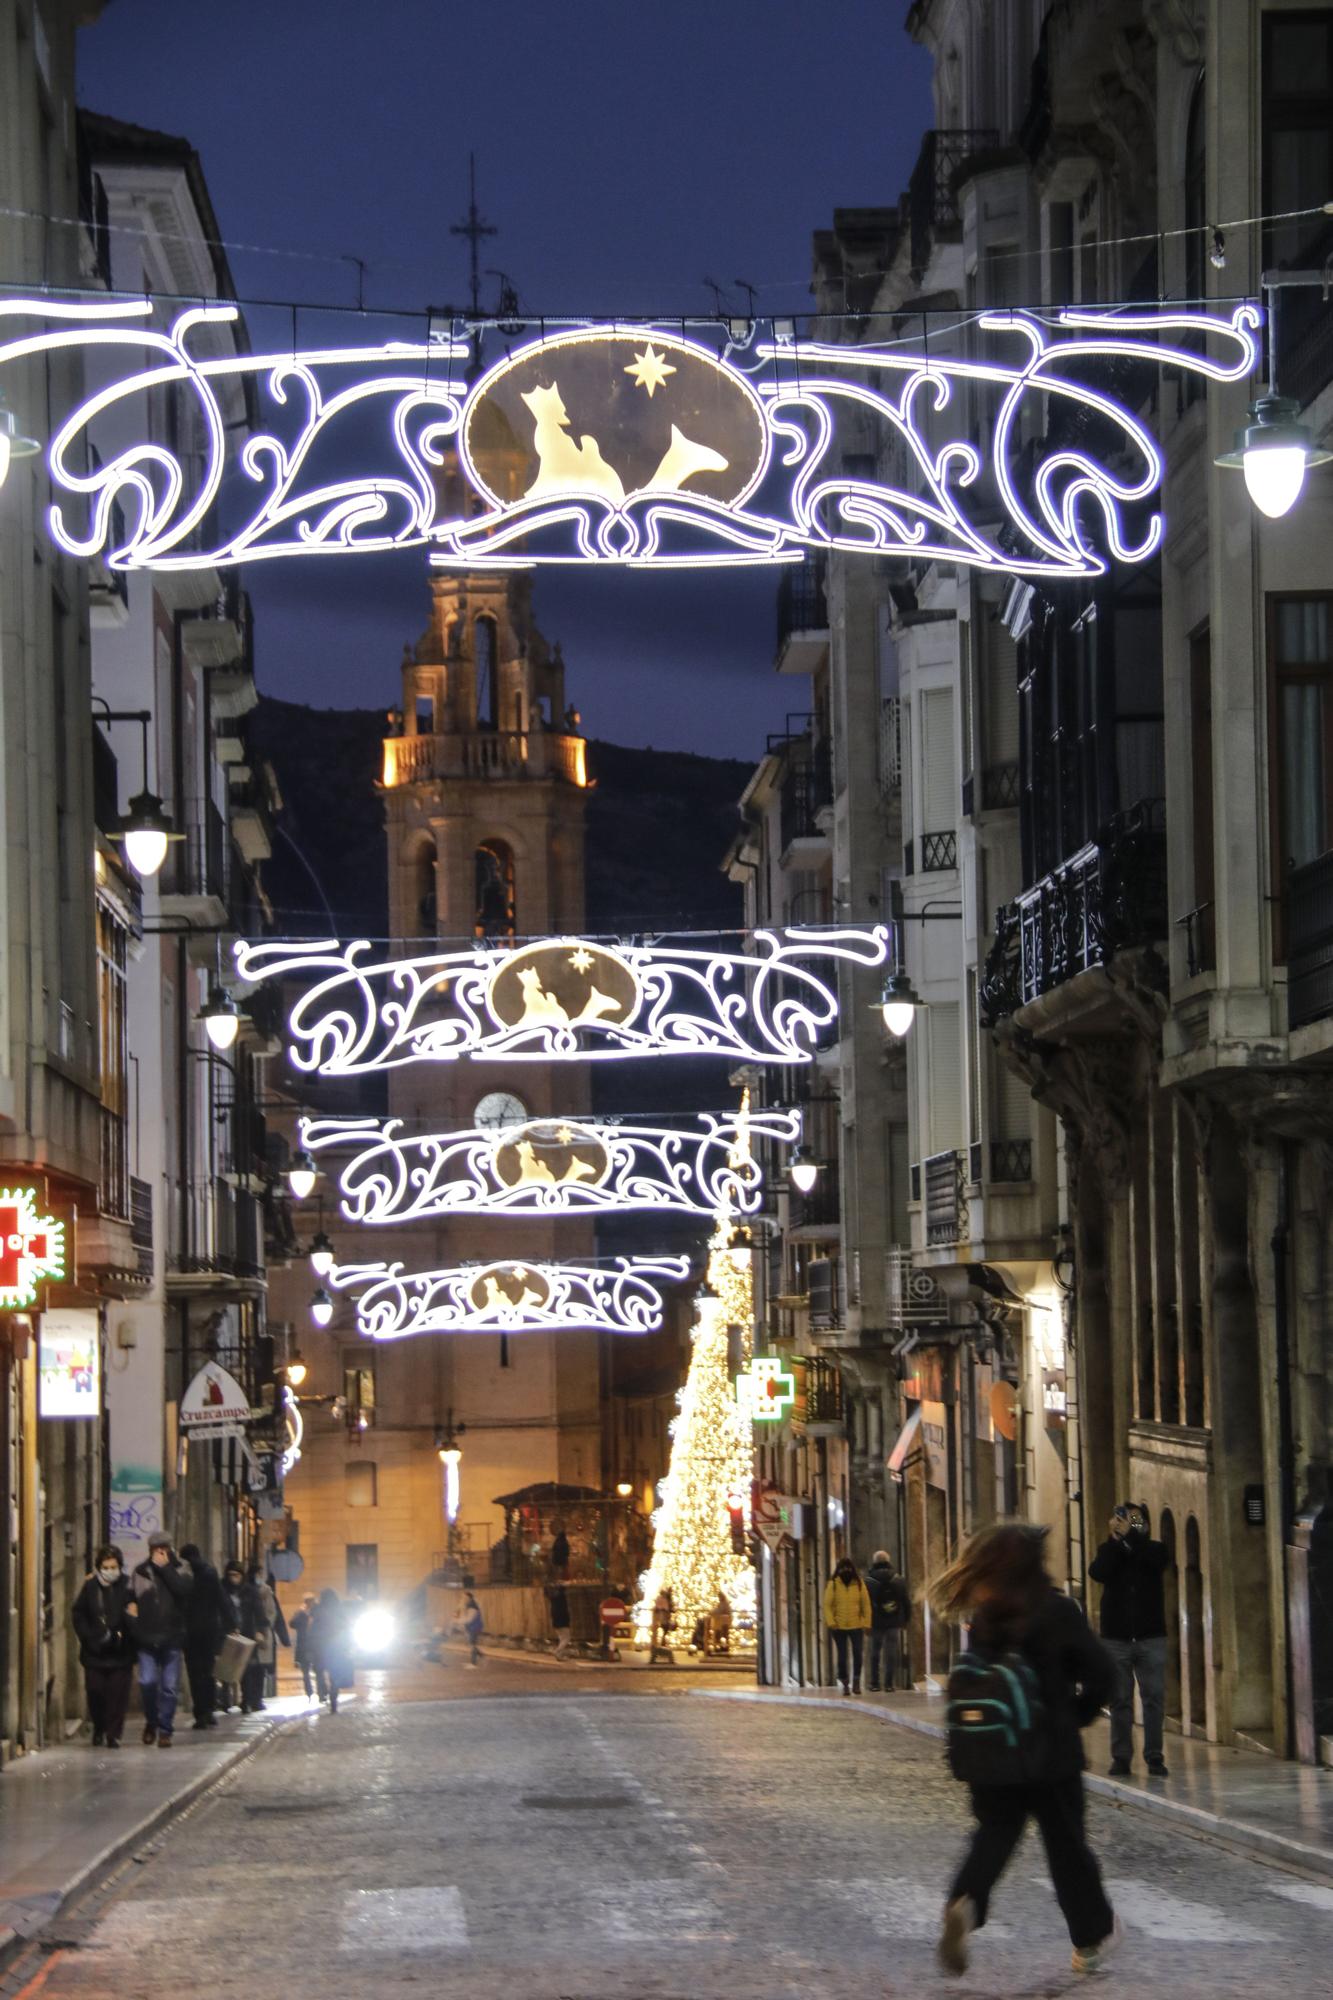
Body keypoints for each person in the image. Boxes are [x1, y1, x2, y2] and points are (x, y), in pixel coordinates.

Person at [934, 1522, 1119, 1980]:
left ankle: (965, 1901)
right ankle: (1089, 1943)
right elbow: (1102, 1675)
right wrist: (1077, 1714)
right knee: (1067, 1848)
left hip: (993, 1755)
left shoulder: (986, 1614)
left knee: (993, 1835)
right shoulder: (1057, 1611)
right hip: (1050, 1754)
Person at [1088, 1500, 1171, 1777]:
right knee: (1120, 1700)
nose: (1126, 1524)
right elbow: (1098, 1572)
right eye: (1122, 1519)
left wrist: (1133, 1535)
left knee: (1153, 1698)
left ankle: (1155, 1756)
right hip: (1116, 1639)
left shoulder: (1155, 1550)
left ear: (1145, 1525)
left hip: (1151, 1637)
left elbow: (1152, 1560)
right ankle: (1121, 1757)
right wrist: (1117, 1541)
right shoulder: (1108, 1551)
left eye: (1134, 1521)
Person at [129, 1531, 193, 1747]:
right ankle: (151, 1721)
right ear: (150, 1550)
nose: (160, 1552)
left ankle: (165, 1730)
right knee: (147, 1682)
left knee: (169, 1687)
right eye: (157, 1549)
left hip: (172, 1637)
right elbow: (130, 1599)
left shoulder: (180, 1568)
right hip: (146, 1638)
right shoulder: (140, 1572)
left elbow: (184, 1591)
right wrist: (134, 1623)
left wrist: (165, 1569)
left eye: (164, 1548)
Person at [71, 1544, 136, 1748]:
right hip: (95, 1651)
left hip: (121, 1652)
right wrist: (88, 1637)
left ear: (120, 1566)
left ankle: (113, 1734)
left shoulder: (128, 1585)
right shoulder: (90, 1587)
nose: (110, 1571)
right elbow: (79, 1613)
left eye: (113, 1566)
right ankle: (99, 1726)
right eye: (106, 1567)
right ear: (99, 1567)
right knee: (95, 1691)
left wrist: (128, 1626)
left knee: (118, 1696)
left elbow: (136, 1612)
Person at [178, 1543, 229, 1731]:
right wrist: (232, 1622)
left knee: (194, 1673)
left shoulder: (184, 1576)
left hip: (190, 1632)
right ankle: (209, 1710)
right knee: (208, 1671)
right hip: (209, 1631)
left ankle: (200, 1712)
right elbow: (221, 1599)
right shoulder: (210, 1573)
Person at [221, 1560, 267, 1712]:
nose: (233, 1578)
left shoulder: (250, 1591)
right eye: (230, 1575)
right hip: (227, 1633)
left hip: (246, 1633)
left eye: (236, 1575)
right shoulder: (222, 1589)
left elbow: (259, 1612)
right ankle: (225, 1700)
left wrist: (260, 1631)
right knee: (227, 1668)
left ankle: (246, 1701)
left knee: (246, 1669)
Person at [823, 1554, 871, 1695]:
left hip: (856, 1626)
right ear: (839, 1569)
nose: (846, 1570)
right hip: (838, 1627)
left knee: (857, 1654)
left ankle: (856, 1681)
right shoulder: (833, 1585)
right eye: (843, 1568)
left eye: (848, 1568)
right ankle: (845, 1682)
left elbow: (866, 1605)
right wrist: (831, 1621)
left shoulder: (859, 1584)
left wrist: (867, 1623)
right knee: (842, 1656)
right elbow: (827, 1605)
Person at [865, 1549, 909, 1692]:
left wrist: (864, 1622)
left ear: (874, 1562)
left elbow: (864, 1603)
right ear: (888, 1561)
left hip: (875, 1621)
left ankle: (875, 1683)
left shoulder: (868, 1581)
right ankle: (889, 1684)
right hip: (894, 1620)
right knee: (891, 1652)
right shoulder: (899, 1579)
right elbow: (906, 1601)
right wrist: (905, 1620)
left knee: (875, 1652)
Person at [248, 1565, 289, 1708]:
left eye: (261, 1573)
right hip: (248, 1633)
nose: (259, 1576)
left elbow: (273, 1614)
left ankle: (256, 1699)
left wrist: (265, 1628)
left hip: (263, 1635)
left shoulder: (267, 1592)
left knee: (259, 1669)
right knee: (249, 1669)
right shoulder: (246, 1590)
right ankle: (249, 1698)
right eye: (258, 1573)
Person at [311, 1587, 353, 1711]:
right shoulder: (339, 1610)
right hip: (337, 1647)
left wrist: (311, 1647)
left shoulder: (318, 1611)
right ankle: (333, 1696)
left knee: (320, 1671)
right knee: (334, 1674)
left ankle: (323, 1692)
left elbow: (313, 1630)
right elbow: (346, 1629)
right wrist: (348, 1646)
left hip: (321, 1647)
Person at [291, 1591, 318, 1696]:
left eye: (312, 1601)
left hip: (314, 1645)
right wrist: (300, 1614)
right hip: (303, 1646)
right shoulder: (301, 1612)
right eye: (308, 1601)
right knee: (305, 1670)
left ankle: (322, 1690)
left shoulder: (317, 1612)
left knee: (318, 1669)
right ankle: (309, 1690)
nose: (311, 1603)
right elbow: (292, 1624)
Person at [649, 1585, 674, 1664]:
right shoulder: (665, 1599)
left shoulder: (662, 1599)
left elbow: (661, 1607)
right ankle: (660, 1647)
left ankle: (658, 1647)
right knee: (662, 1632)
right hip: (662, 1618)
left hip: (661, 1618)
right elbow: (666, 1608)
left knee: (661, 1632)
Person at [547, 1580, 573, 1656]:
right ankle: (557, 1651)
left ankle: (559, 1655)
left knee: (561, 1638)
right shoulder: (561, 1598)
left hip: (555, 1620)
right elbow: (563, 1589)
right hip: (563, 1621)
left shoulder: (553, 1598)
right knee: (566, 1638)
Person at [461, 1590, 483, 1667]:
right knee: (471, 1644)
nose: (463, 1598)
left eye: (464, 1597)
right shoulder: (469, 1604)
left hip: (474, 1627)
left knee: (472, 1644)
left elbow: (470, 1618)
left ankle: (474, 1663)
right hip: (472, 1626)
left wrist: (461, 1622)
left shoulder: (472, 1605)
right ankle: (482, 1657)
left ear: (469, 1597)